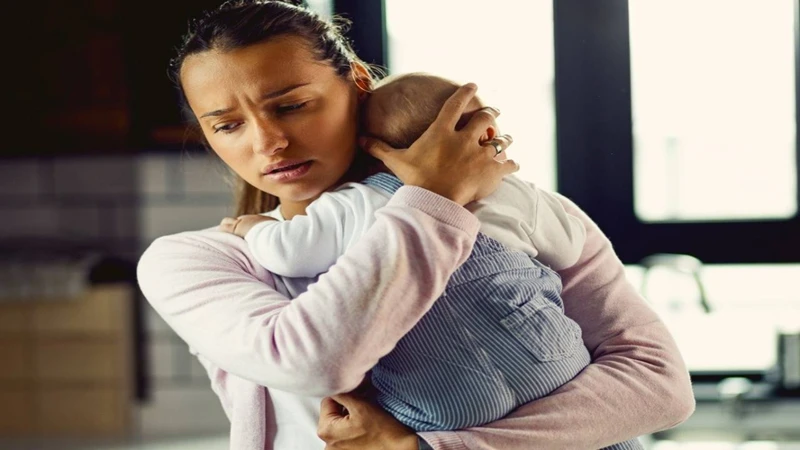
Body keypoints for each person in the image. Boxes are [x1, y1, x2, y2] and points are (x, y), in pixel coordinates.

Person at [137, 1, 695, 449]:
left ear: (356, 82)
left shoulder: (516, 210)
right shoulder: (196, 260)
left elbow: (659, 386)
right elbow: (315, 360)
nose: (267, 142)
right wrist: (431, 197)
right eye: (228, 124)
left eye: (291, 106)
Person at [216, 72, 641, 449]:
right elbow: (567, 249)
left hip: (443, 396)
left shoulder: (353, 202)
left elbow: (289, 253)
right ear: (485, 133)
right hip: (553, 366)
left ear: (372, 145)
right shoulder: (516, 194)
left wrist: (252, 229)